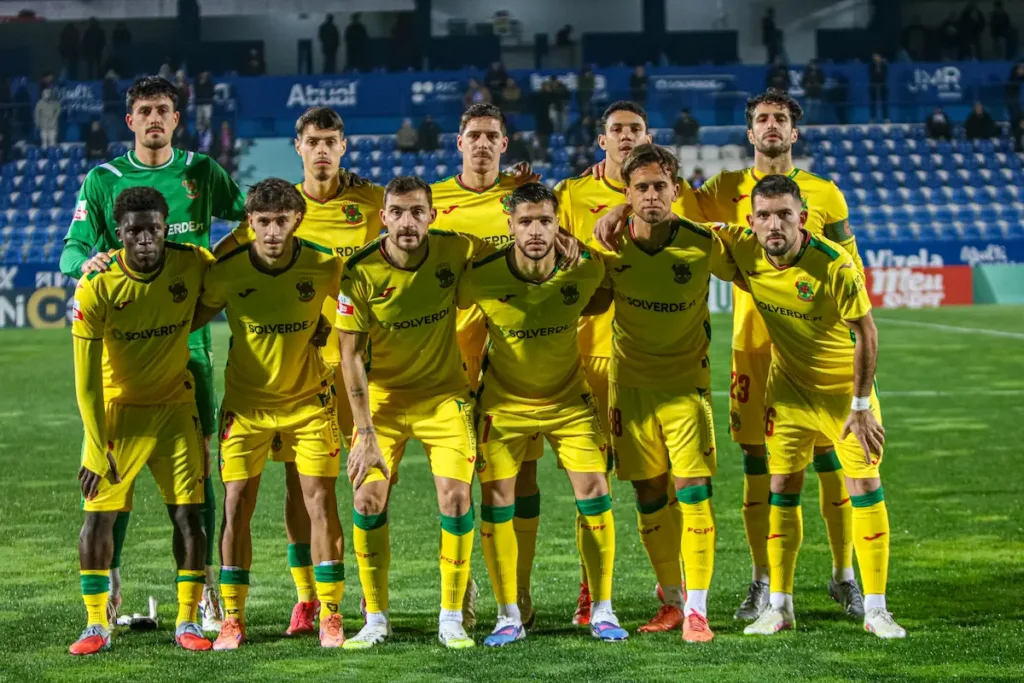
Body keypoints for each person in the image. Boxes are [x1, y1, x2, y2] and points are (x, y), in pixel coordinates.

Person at [594, 89, 865, 624]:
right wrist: (625, 204)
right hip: (754, 345)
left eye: (780, 119)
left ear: (794, 131)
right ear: (749, 132)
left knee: (834, 458)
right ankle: (763, 581)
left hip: (815, 346)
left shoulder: (826, 195)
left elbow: (848, 263)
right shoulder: (722, 189)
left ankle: (844, 576)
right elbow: (662, 202)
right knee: (757, 463)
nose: (770, 127)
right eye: (762, 119)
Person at [59, 75, 248, 634]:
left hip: (190, 345)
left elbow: (247, 215)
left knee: (200, 469)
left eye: (164, 109)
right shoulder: (103, 180)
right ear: (130, 121)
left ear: (177, 117)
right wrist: (85, 265)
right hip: (128, 342)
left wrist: (223, 256)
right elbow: (72, 248)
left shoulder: (201, 171)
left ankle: (207, 588)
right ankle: (110, 581)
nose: (155, 119)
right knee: (115, 469)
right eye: (144, 110)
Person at [213, 107, 384, 638]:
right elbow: (201, 282)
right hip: (265, 389)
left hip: (338, 378)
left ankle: (345, 603)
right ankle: (305, 599)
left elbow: (426, 222)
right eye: (314, 141)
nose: (323, 150)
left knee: (328, 492)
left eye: (332, 140)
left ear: (345, 145)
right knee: (282, 494)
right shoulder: (272, 210)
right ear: (299, 147)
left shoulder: (373, 203)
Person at [714, 175, 905, 640]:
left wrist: (861, 406)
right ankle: (780, 606)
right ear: (751, 221)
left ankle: (876, 608)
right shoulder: (743, 249)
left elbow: (868, 333)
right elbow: (679, 228)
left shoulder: (834, 265)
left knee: (863, 483)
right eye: (764, 215)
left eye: (784, 214)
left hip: (844, 394)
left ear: (802, 218)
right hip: (788, 392)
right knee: (781, 486)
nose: (774, 223)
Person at [549, 101, 703, 628]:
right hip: (585, 357)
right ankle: (591, 593)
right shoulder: (571, 193)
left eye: (635, 128)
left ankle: (677, 595)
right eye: (616, 129)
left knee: (661, 481)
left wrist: (623, 211)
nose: (626, 136)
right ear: (602, 139)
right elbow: (545, 236)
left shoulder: (657, 190)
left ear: (647, 135)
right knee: (592, 483)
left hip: (642, 361)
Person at [458, 182, 627, 646]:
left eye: (545, 221)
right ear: (509, 225)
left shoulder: (585, 267)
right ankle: (508, 614)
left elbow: (607, 291)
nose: (536, 230)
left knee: (595, 490)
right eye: (526, 221)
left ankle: (603, 609)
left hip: (569, 403)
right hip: (503, 405)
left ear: (559, 225)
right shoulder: (481, 276)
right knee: (497, 502)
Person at [589, 144, 737, 643]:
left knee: (693, 491)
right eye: (641, 187)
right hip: (629, 388)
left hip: (686, 388)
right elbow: (589, 298)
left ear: (677, 189)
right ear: (626, 193)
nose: (652, 195)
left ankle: (698, 608)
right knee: (648, 492)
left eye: (660, 186)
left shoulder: (705, 243)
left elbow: (762, 266)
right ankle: (671, 601)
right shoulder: (611, 247)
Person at [191, 179, 346, 650]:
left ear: (297, 219)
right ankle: (233, 619)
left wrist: (326, 325)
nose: (273, 231)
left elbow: (358, 311)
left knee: (320, 503)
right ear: (249, 224)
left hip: (309, 404)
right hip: (246, 408)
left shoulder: (324, 264)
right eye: (263, 222)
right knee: (237, 506)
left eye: (282, 220)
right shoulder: (226, 271)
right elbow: (183, 317)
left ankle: (331, 614)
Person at [334, 176, 484, 650]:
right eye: (397, 212)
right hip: (382, 402)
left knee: (456, 501)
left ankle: (452, 616)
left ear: (432, 216)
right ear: (383, 218)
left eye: (417, 211)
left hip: (445, 396)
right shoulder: (358, 272)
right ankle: (375, 617)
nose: (407, 222)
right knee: (367, 501)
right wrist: (366, 432)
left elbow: (514, 250)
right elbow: (350, 357)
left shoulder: (456, 250)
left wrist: (560, 238)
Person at [68, 186, 215, 656]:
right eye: (135, 231)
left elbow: (235, 277)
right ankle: (96, 624)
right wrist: (95, 445)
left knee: (189, 516)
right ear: (119, 233)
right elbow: (87, 382)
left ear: (165, 226)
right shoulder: (97, 284)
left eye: (154, 228)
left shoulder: (192, 261)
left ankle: (187, 620)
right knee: (98, 517)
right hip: (118, 416)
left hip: (175, 410)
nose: (146, 239)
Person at [801, 59, 825, 125]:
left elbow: (823, 81)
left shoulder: (819, 72)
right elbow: (803, 82)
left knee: (816, 109)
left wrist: (818, 85)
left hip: (817, 94)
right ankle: (807, 121)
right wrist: (807, 86)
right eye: (812, 64)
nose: (814, 66)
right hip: (809, 93)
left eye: (815, 64)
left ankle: (815, 122)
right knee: (808, 109)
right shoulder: (807, 72)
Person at [868, 53, 888, 123]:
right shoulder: (871, 66)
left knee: (884, 102)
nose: (876, 58)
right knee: (873, 102)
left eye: (877, 56)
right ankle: (872, 118)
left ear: (880, 57)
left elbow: (885, 75)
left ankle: (885, 118)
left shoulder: (884, 65)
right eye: (874, 57)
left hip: (882, 85)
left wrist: (881, 65)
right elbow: (871, 76)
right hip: (874, 85)